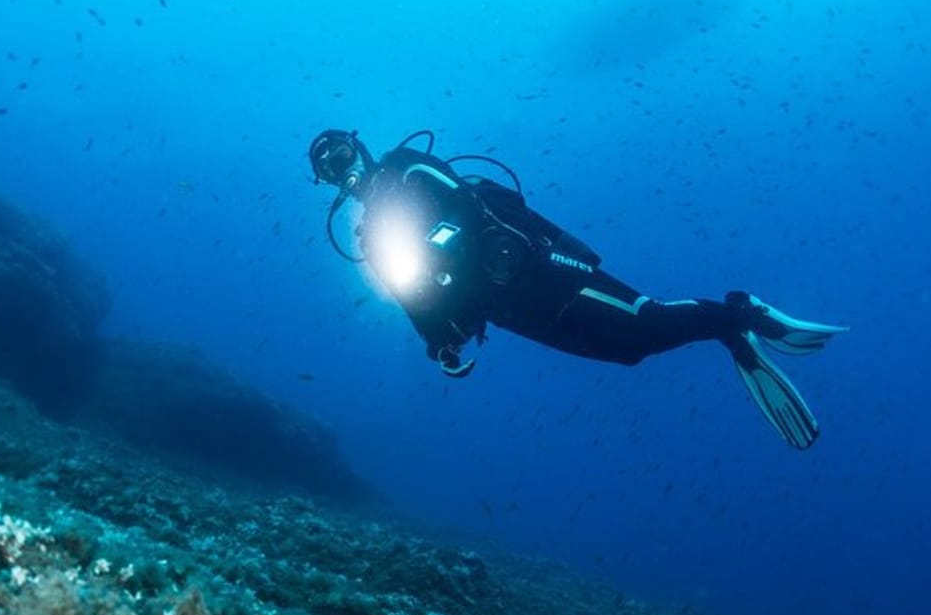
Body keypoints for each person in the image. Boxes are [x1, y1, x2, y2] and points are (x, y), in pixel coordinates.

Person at [308, 128, 848, 448]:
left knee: (645, 320)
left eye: (342, 155)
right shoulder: (371, 236)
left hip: (543, 272)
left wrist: (435, 243)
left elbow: (465, 209)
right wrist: (441, 344)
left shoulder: (408, 171)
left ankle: (740, 314)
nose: (342, 170)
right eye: (329, 169)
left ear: (360, 148)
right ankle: (728, 332)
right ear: (327, 183)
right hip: (511, 311)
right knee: (627, 352)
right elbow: (414, 298)